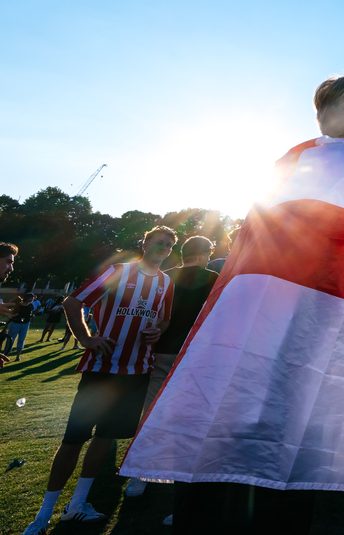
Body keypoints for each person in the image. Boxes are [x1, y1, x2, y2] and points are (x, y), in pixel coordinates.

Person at [120, 76, 344, 535]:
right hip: (290, 372)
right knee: (272, 490)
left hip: (240, 351)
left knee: (217, 479)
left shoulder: (293, 164)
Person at [20, 226, 176, 535]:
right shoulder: (120, 271)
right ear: (144, 242)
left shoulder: (166, 282)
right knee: (73, 440)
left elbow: (165, 318)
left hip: (136, 374)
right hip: (102, 369)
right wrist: (87, 338)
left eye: (170, 244)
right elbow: (73, 302)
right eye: (159, 241)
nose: (164, 247)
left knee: (104, 439)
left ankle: (77, 505)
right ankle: (43, 515)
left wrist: (158, 330)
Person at [123, 235, 219, 500]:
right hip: (193, 353)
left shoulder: (165, 276)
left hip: (161, 349)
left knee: (152, 411)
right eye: (209, 253)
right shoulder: (213, 279)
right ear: (202, 254)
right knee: (189, 415)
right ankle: (179, 472)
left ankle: (139, 476)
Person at [5, 295, 34, 361]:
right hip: (16, 323)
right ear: (27, 298)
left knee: (21, 339)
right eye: (31, 297)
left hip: (25, 323)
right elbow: (10, 313)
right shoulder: (18, 305)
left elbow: (30, 312)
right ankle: (6, 355)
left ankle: (18, 356)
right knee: (11, 339)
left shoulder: (30, 305)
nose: (33, 299)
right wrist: (14, 315)